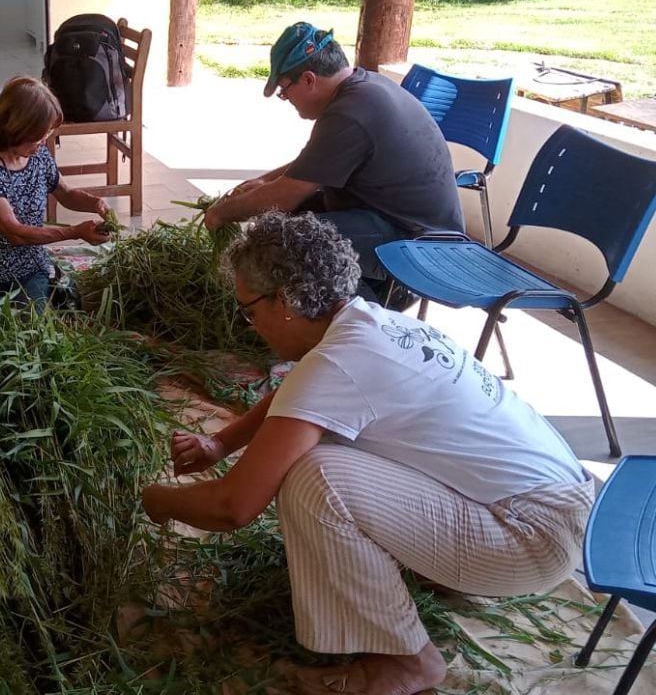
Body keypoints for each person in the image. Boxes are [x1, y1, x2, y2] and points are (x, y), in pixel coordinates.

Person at [142, 211, 593, 695]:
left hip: (528, 538)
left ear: (287, 301)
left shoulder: (339, 361)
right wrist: (221, 441)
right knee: (326, 439)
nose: (249, 326)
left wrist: (157, 500)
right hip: (563, 507)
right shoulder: (369, 324)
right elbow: (303, 392)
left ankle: (405, 662)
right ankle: (428, 571)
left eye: (249, 311)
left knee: (314, 476)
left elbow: (234, 507)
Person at [203, 22, 464, 303]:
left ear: (308, 80)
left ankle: (367, 312)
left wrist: (221, 214)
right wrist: (265, 181)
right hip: (399, 223)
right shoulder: (364, 86)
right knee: (282, 222)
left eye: (284, 90)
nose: (286, 99)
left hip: (416, 246)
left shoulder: (351, 112)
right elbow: (314, 163)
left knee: (284, 243)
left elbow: (286, 195)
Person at [0, 76, 109, 323]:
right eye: (36, 137)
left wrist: (95, 203)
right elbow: (14, 233)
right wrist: (75, 232)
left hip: (28, 268)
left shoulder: (38, 157)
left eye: (45, 136)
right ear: (13, 128)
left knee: (29, 327)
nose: (41, 144)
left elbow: (66, 193)